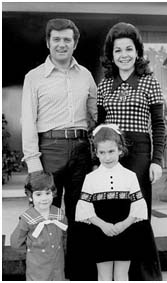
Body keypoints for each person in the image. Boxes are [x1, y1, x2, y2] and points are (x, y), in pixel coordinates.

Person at [21, 18, 97, 279]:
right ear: (48, 42)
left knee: (81, 216)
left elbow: (95, 114)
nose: (61, 44)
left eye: (67, 39)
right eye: (56, 39)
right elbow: (27, 121)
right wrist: (34, 166)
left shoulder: (86, 75)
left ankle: (79, 275)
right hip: (48, 149)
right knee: (46, 219)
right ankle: (47, 277)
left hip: (80, 149)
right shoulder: (34, 77)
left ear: (74, 44)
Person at [97, 22, 165, 280]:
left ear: (137, 51)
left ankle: (145, 275)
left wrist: (156, 160)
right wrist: (99, 160)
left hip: (139, 153)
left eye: (129, 48)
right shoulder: (104, 85)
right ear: (111, 55)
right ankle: (118, 274)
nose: (123, 54)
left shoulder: (149, 82)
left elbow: (159, 125)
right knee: (114, 210)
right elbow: (100, 127)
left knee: (138, 211)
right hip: (111, 153)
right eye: (117, 50)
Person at [72, 124, 162, 281]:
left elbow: (138, 206)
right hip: (100, 232)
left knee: (122, 275)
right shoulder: (91, 178)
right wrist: (103, 225)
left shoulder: (130, 176)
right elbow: (84, 208)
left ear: (120, 150)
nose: (107, 157)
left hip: (125, 231)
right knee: (104, 275)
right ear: (96, 153)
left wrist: (123, 225)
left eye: (111, 151)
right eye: (102, 152)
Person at [10, 172, 68, 281]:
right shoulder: (27, 218)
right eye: (38, 194)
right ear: (30, 196)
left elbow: (64, 237)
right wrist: (32, 250)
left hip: (57, 267)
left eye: (47, 193)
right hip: (37, 269)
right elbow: (16, 243)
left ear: (53, 193)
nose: (44, 198)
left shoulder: (59, 214)